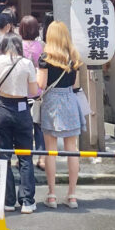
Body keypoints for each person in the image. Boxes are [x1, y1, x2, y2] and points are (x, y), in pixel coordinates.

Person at [0, 32, 39, 214]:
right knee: (25, 156)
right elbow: (33, 90)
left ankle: (8, 200)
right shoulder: (27, 63)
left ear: (3, 46)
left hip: (3, 108)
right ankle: (27, 201)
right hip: (22, 108)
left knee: (4, 156)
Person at [37, 21, 85, 209]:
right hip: (70, 100)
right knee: (72, 149)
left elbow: (41, 84)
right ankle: (72, 195)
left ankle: (52, 195)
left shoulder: (45, 57)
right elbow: (76, 86)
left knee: (51, 150)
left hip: (52, 102)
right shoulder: (74, 58)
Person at [19, 15, 46, 168]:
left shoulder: (17, 45)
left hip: (21, 89)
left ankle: (24, 156)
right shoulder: (41, 45)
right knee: (39, 125)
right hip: (37, 88)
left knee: (23, 127)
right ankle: (42, 158)